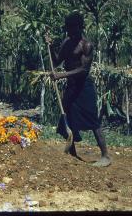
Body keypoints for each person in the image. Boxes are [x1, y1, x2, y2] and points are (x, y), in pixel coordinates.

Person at [45, 11, 111, 167]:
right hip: (72, 86)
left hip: (84, 87)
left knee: (93, 120)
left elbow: (84, 70)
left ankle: (105, 156)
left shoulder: (86, 45)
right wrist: (51, 46)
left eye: (72, 28)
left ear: (80, 27)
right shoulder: (66, 43)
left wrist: (61, 75)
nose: (69, 31)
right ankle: (72, 152)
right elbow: (56, 61)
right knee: (68, 117)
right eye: (68, 28)